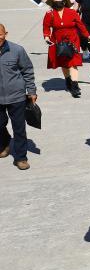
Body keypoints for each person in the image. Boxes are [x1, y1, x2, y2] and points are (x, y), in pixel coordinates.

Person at [42, 0, 90, 99]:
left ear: (64, 1)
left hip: (72, 40)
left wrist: (88, 37)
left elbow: (81, 26)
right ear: (52, 1)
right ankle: (68, 80)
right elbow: (46, 27)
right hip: (57, 41)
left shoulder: (72, 12)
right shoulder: (49, 14)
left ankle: (75, 86)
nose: (57, 0)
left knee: (73, 63)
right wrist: (46, 37)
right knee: (64, 64)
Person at [0, 23, 37, 170]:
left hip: (17, 97)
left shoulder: (17, 50)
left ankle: (21, 158)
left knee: (19, 128)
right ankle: (5, 143)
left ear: (6, 34)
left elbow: (27, 70)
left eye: (0, 34)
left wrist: (32, 91)